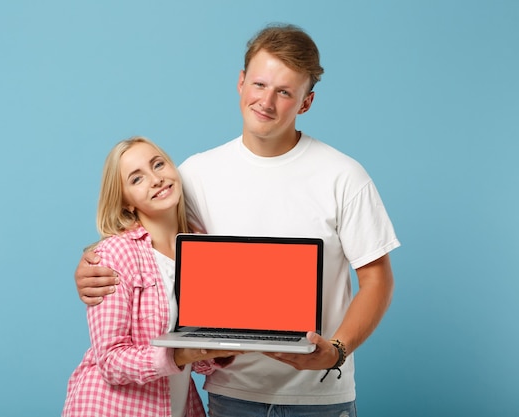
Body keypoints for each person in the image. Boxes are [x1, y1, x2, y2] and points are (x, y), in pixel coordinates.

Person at [74, 24, 400, 417]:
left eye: (284, 92)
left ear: (306, 103)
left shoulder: (344, 176)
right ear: (241, 82)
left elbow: (377, 278)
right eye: (259, 84)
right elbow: (150, 244)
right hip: (232, 393)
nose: (266, 101)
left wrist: (337, 350)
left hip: (319, 398)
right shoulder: (194, 176)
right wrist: (92, 263)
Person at [62, 136, 240, 417]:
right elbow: (109, 361)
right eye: (137, 179)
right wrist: (179, 355)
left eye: (158, 165)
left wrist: (220, 349)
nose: (156, 179)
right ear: (126, 203)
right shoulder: (115, 254)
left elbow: (195, 357)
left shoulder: (202, 250)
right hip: (112, 408)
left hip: (178, 406)